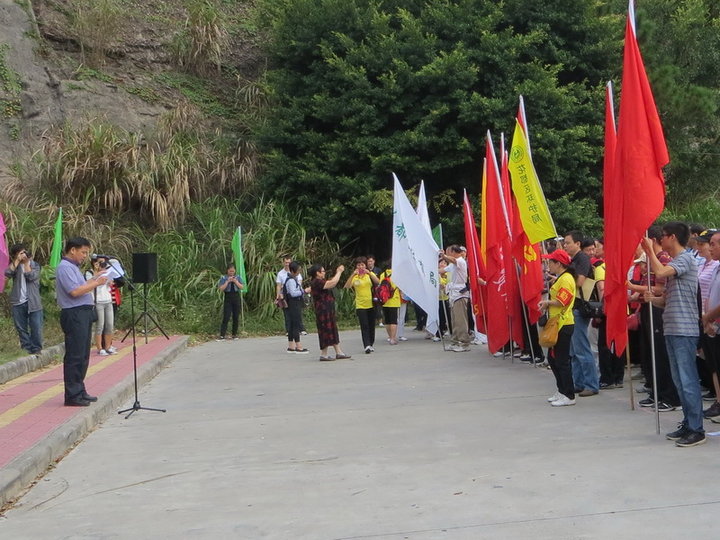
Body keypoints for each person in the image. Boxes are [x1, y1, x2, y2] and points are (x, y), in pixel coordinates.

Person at [642, 222, 705, 447]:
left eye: (663, 236)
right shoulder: (677, 264)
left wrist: (649, 251)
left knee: (688, 381)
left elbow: (660, 271)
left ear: (673, 237)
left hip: (685, 329)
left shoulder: (685, 259)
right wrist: (653, 300)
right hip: (672, 328)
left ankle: (697, 428)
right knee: (679, 381)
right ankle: (688, 423)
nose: (661, 240)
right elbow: (667, 299)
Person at [56, 237, 109, 406]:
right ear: (73, 250)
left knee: (83, 354)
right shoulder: (64, 267)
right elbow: (75, 291)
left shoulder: (73, 268)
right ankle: (72, 394)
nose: (85, 256)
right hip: (74, 314)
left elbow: (82, 286)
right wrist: (96, 284)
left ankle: (80, 389)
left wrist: (94, 278)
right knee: (75, 355)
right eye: (83, 252)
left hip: (84, 313)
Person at [563, 230, 599, 396]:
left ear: (577, 244)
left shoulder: (582, 259)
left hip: (580, 307)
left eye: (568, 242)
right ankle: (579, 382)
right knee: (574, 349)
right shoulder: (573, 260)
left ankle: (591, 384)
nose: (565, 245)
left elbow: (580, 281)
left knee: (582, 347)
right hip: (573, 307)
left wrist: (565, 280)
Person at [539, 249, 576, 407]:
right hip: (556, 323)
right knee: (553, 359)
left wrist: (547, 303)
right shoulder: (561, 278)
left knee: (561, 361)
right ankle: (561, 390)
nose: (549, 265)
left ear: (558, 264)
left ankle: (569, 394)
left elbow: (563, 301)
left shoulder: (566, 279)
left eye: (551, 262)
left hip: (563, 323)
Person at [4, 243, 43, 355]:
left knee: (36, 327)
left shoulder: (35, 265)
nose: (23, 255)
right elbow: (7, 273)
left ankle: (36, 349)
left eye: (24, 252)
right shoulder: (15, 267)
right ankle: (26, 349)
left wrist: (26, 264)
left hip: (33, 302)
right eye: (20, 253)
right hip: (18, 301)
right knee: (21, 327)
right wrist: (16, 261)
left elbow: (31, 276)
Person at [308, 263, 351, 361]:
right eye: (322, 271)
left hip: (327, 309)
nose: (324, 273)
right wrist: (339, 272)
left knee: (332, 329)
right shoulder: (316, 282)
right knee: (325, 330)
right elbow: (332, 283)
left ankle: (338, 352)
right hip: (323, 310)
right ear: (317, 273)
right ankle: (324, 354)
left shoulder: (320, 281)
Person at [701, 230, 720, 421]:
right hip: (712, 325)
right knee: (714, 364)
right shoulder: (715, 268)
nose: (710, 247)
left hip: (716, 322)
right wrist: (707, 320)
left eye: (714, 244)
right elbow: (708, 295)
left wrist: (709, 317)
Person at [344, 256, 380, 353]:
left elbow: (377, 281)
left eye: (362, 265)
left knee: (371, 325)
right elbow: (347, 286)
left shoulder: (369, 275)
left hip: (371, 303)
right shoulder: (355, 276)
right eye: (359, 265)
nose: (360, 267)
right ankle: (366, 345)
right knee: (364, 325)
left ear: (365, 265)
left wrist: (370, 273)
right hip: (360, 305)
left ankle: (371, 343)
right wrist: (352, 274)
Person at [440, 245, 471, 352]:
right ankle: (455, 341)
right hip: (453, 294)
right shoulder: (452, 265)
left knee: (460, 320)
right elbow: (442, 270)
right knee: (454, 320)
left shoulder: (460, 261)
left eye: (448, 251)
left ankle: (464, 343)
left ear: (453, 251)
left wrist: (442, 255)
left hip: (460, 294)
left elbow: (452, 260)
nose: (447, 254)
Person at [84, 255, 117, 356]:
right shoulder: (89, 273)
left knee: (110, 325)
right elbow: (88, 285)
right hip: (98, 301)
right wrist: (98, 274)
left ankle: (108, 346)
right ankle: (100, 348)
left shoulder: (106, 272)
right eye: (99, 263)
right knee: (100, 325)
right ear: (94, 263)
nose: (102, 265)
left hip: (108, 300)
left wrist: (110, 280)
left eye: (103, 263)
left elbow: (110, 284)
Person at [276, 255, 306, 337]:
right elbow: (278, 285)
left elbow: (299, 283)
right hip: (285, 296)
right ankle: (289, 330)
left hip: (296, 295)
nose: (287, 264)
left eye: (289, 262)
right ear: (283, 263)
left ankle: (301, 329)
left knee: (297, 312)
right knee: (287, 313)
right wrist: (277, 296)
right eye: (286, 262)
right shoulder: (280, 273)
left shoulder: (296, 272)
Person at [282, 261, 308, 354]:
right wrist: (304, 291)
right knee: (296, 324)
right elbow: (293, 293)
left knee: (292, 324)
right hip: (294, 303)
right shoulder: (291, 280)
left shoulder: (292, 278)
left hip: (293, 303)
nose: (299, 271)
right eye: (298, 269)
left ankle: (291, 346)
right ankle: (298, 346)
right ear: (293, 270)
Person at [217, 263, 244, 340]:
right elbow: (221, 289)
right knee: (226, 316)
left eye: (233, 271)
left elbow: (242, 287)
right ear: (227, 271)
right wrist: (227, 282)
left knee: (236, 316)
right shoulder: (223, 278)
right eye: (230, 271)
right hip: (228, 297)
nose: (231, 273)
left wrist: (235, 281)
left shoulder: (238, 277)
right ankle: (222, 335)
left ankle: (234, 334)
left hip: (236, 297)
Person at [378, 266, 401, 345]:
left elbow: (380, 286)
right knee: (393, 320)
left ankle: (389, 336)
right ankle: (393, 338)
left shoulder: (382, 274)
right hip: (394, 300)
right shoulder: (397, 274)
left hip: (385, 300)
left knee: (387, 320)